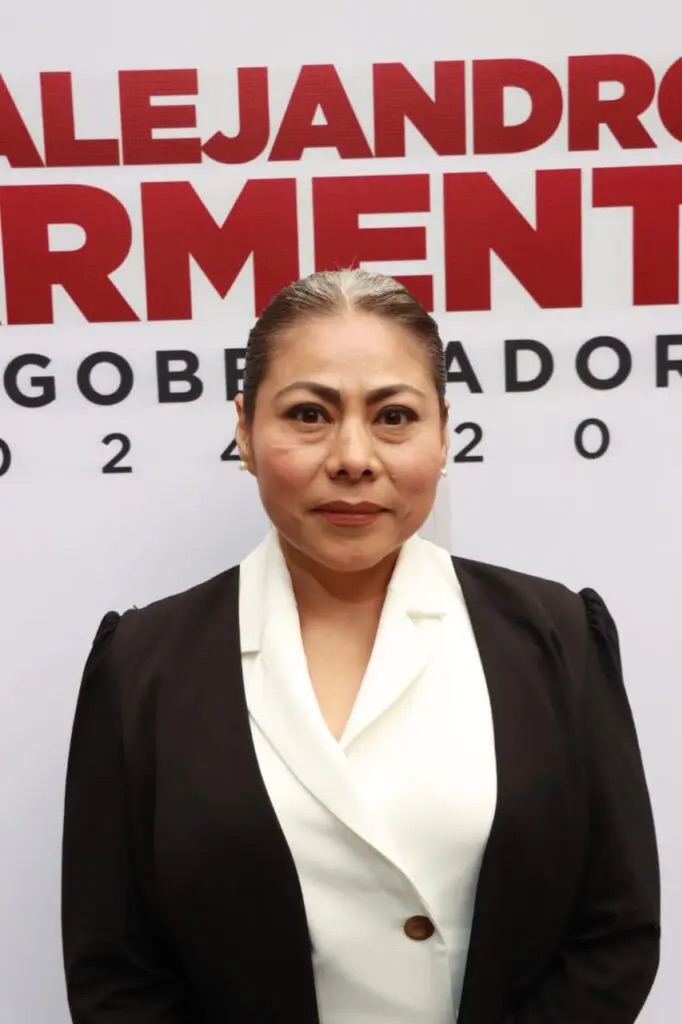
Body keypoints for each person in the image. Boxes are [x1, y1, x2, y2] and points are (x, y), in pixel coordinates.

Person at [61, 268, 660, 1024]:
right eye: (309, 414)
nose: (353, 456)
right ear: (244, 431)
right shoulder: (142, 664)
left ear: (443, 431)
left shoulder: (556, 636)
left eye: (394, 416)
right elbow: (116, 974)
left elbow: (615, 931)